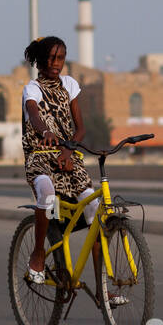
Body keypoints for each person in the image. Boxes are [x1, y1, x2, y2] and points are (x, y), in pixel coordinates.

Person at [21, 36, 123, 307]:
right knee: (46, 192)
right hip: (41, 156)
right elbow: (34, 114)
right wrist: (45, 133)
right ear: (41, 60)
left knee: (94, 211)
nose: (56, 64)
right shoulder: (32, 89)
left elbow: (80, 128)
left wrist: (67, 152)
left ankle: (102, 289)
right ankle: (38, 254)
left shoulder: (70, 85)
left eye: (61, 58)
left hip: (70, 157)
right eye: (52, 58)